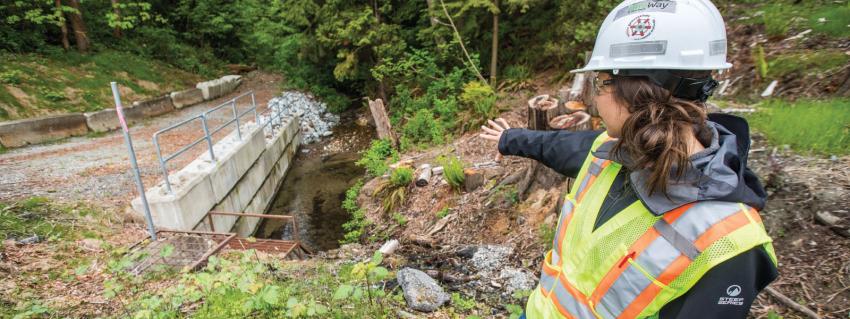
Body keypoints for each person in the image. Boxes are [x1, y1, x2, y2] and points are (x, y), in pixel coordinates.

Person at [479, 0, 778, 318]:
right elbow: (559, 145)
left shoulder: (729, 241)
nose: (593, 96)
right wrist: (509, 139)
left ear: (635, 89)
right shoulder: (611, 150)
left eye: (599, 82)